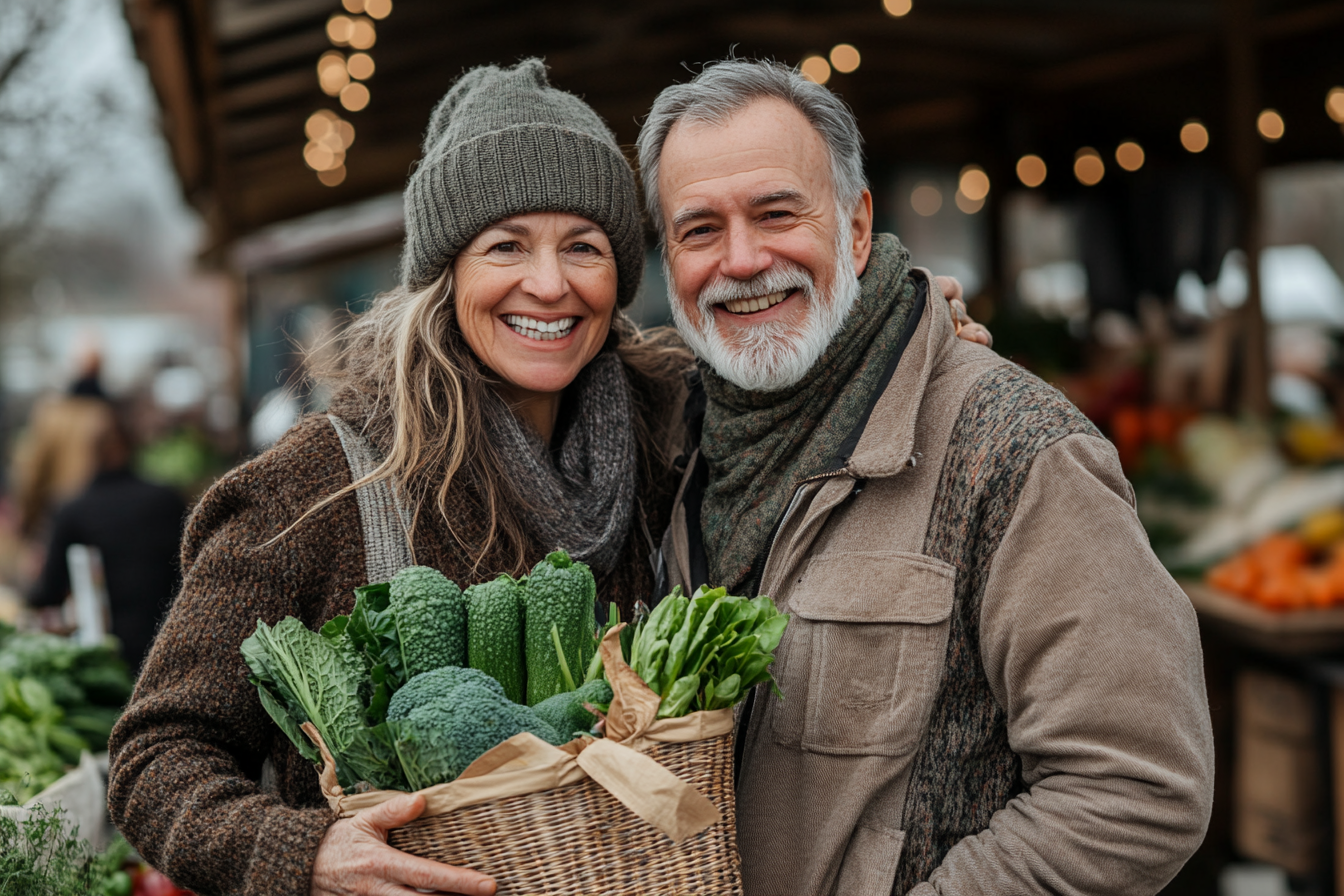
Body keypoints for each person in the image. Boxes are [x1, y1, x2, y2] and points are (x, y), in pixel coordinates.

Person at [107, 59, 988, 896]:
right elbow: (155, 755)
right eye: (505, 245)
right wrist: (304, 855)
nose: (549, 284)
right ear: (444, 273)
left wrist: (908, 324)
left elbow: (803, 348)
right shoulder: (319, 487)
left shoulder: (675, 422)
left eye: (583, 246)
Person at [638, 60, 1215, 896]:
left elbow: (1137, 790)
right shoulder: (673, 445)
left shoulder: (1016, 448)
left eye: (776, 213)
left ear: (857, 226)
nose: (741, 259)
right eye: (698, 230)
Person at [28, 407, 186, 672]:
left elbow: (48, 592)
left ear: (92, 454)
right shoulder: (167, 500)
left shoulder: (73, 510)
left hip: (106, 654)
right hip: (168, 643)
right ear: (133, 448)